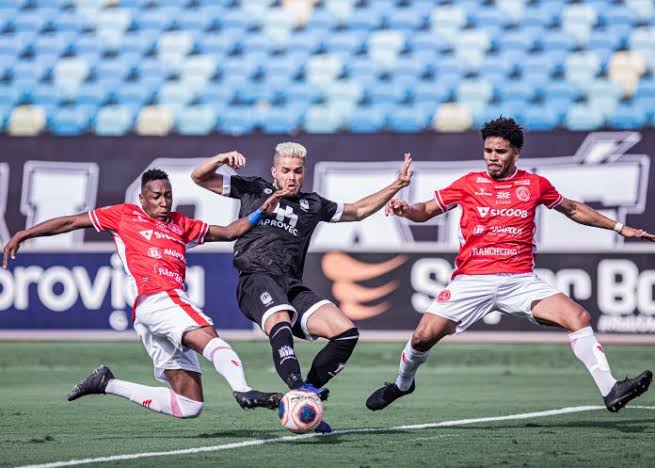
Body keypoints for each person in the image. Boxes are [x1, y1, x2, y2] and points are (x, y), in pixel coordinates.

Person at [366, 117, 654, 413]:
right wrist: (405, 209)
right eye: (488, 150)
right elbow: (425, 210)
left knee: (578, 317)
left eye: (500, 152)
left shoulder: (535, 184)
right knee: (422, 336)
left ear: (516, 153)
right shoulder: (468, 184)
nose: (492, 157)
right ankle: (402, 384)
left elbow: (573, 209)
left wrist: (620, 228)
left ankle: (610, 389)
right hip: (472, 279)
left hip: (520, 281)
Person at [2, 169, 290, 419]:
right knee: (208, 336)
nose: (163, 202)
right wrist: (24, 234)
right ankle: (242, 390)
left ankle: (106, 383)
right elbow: (71, 223)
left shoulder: (180, 223)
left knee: (189, 405)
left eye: (168, 195)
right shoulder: (124, 215)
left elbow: (228, 232)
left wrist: (259, 212)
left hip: (150, 314)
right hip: (159, 297)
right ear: (142, 198)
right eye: (156, 196)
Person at [191, 142, 413, 432]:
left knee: (345, 332)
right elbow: (199, 177)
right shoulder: (254, 189)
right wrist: (220, 158)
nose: (291, 176)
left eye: (297, 171)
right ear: (274, 172)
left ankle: (308, 391)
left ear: (303, 173)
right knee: (280, 320)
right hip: (255, 277)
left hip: (291, 284)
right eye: (285, 170)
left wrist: (397, 184)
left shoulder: (313, 205)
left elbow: (357, 211)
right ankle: (297, 393)